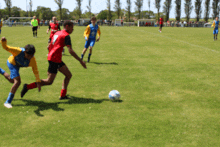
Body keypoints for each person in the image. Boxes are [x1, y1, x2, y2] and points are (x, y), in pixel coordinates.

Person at [21, 20, 87, 100]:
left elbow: (50, 45)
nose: (73, 30)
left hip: (54, 58)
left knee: (68, 75)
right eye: (72, 28)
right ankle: (28, 86)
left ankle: (63, 95)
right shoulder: (66, 36)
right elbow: (70, 51)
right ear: (67, 27)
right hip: (55, 59)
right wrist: (81, 61)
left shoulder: (57, 33)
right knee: (49, 81)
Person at [0, 37, 41, 108]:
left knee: (12, 81)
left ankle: (1, 71)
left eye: (31, 56)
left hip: (17, 65)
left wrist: (38, 81)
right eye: (28, 56)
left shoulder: (32, 60)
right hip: (12, 63)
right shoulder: (18, 51)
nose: (30, 57)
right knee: (18, 82)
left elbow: (35, 71)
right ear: (24, 52)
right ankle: (7, 102)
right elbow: (6, 47)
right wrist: (3, 42)